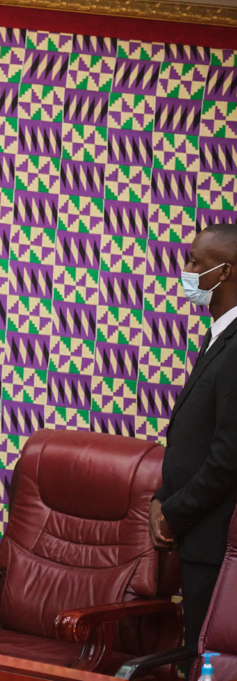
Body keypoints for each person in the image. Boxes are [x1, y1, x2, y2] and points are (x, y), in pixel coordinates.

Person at [150, 222, 237, 645]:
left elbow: (227, 458)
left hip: (215, 543)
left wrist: (174, 512)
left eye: (192, 262)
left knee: (206, 662)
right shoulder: (217, 336)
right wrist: (159, 499)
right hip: (193, 537)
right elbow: (190, 440)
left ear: (223, 273)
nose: (184, 270)